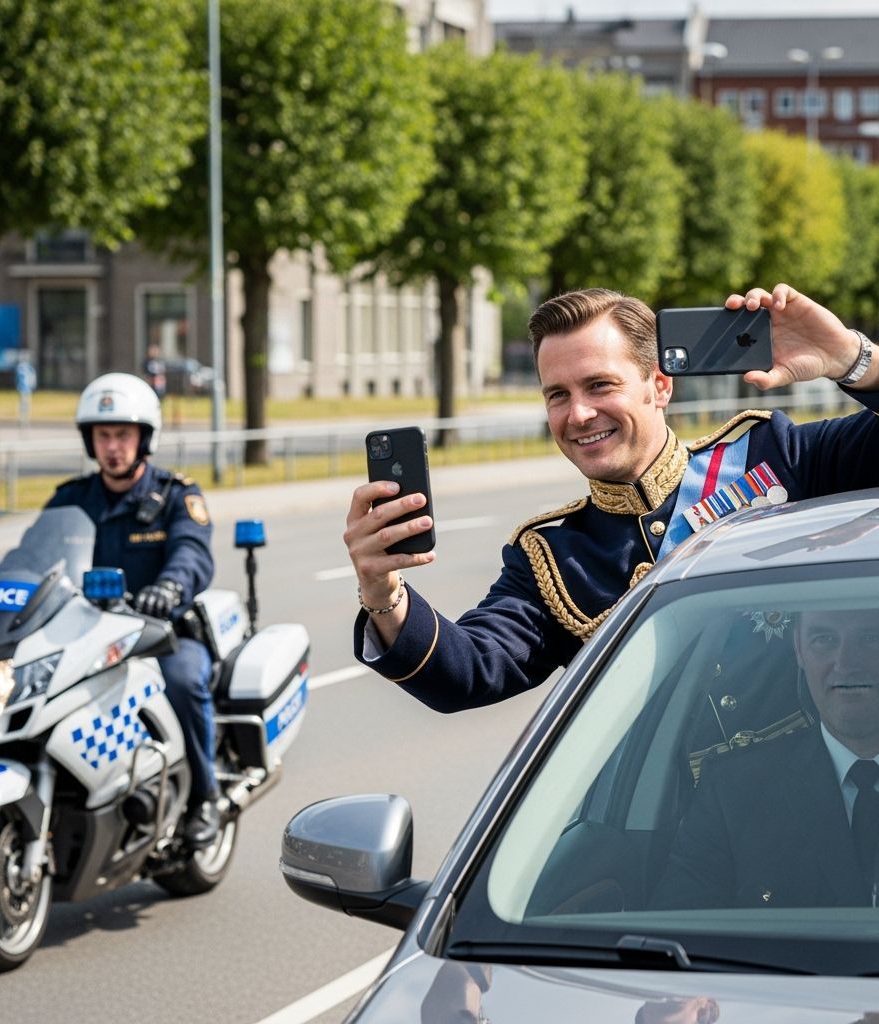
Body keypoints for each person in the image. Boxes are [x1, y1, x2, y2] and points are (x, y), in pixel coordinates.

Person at [344, 284, 879, 714]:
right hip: (669, 831)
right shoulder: (552, 558)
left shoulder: (777, 455)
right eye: (558, 394)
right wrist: (382, 590)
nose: (578, 414)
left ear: (660, 386)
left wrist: (851, 358)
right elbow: (466, 674)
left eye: (600, 385)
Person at [46, 372, 220, 848]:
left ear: (144, 438)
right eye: (103, 436)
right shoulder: (70, 500)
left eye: (123, 435)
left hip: (162, 632)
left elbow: (193, 554)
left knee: (184, 682)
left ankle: (205, 798)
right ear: (90, 441)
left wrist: (168, 587)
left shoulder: (177, 496)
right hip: (86, 636)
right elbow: (28, 558)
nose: (113, 447)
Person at [651, 608, 879, 909]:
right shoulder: (734, 792)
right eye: (824, 639)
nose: (847, 663)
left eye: (871, 637)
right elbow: (680, 928)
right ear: (798, 648)